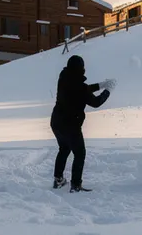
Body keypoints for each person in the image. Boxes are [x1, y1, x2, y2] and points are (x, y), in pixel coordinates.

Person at [50, 55, 115, 192]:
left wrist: (101, 85)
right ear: (80, 69)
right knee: (80, 153)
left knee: (64, 149)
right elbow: (96, 102)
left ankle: (58, 179)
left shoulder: (63, 78)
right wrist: (108, 91)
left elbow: (84, 89)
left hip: (56, 121)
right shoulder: (79, 86)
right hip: (70, 125)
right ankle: (75, 185)